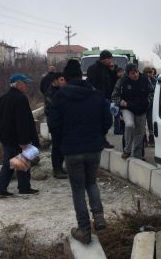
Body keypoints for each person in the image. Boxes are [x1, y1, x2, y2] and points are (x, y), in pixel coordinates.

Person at [48, 59, 112, 244]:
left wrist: (63, 143)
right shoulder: (96, 95)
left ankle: (84, 229)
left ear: (65, 78)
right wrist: (98, 135)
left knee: (78, 189)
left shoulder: (60, 97)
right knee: (91, 183)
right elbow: (107, 120)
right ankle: (99, 218)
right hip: (93, 148)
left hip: (72, 149)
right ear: (81, 75)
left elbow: (54, 125)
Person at [0, 73, 40, 197]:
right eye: (25, 83)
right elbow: (22, 122)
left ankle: (1, 188)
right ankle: (24, 187)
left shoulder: (4, 97)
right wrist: (24, 140)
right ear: (19, 83)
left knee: (9, 164)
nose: (26, 86)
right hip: (18, 138)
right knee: (23, 160)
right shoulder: (20, 98)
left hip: (7, 137)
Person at [112, 63, 153, 159]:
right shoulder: (122, 81)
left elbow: (152, 92)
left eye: (136, 72)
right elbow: (114, 97)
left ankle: (137, 155)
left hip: (142, 109)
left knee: (140, 132)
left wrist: (148, 101)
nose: (135, 75)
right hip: (127, 107)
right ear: (127, 74)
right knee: (129, 125)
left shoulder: (145, 79)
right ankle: (127, 150)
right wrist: (123, 103)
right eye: (132, 73)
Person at [86, 50, 116, 149]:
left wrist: (112, 71)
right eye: (109, 59)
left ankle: (101, 139)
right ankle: (99, 140)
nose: (111, 61)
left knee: (107, 121)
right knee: (98, 120)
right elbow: (90, 84)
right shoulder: (93, 68)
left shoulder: (108, 69)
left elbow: (113, 82)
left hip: (107, 99)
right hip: (96, 99)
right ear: (104, 59)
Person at [44, 72, 67, 179]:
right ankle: (56, 169)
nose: (64, 82)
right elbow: (52, 109)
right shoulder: (50, 93)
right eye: (61, 80)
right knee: (57, 147)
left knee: (62, 146)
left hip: (62, 123)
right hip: (55, 124)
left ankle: (60, 167)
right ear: (55, 81)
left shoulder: (61, 91)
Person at [143, 67, 157, 147]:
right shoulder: (142, 80)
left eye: (150, 73)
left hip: (152, 104)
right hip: (143, 105)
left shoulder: (155, 81)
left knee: (150, 121)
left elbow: (154, 90)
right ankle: (144, 139)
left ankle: (152, 139)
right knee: (143, 122)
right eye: (146, 73)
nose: (148, 74)